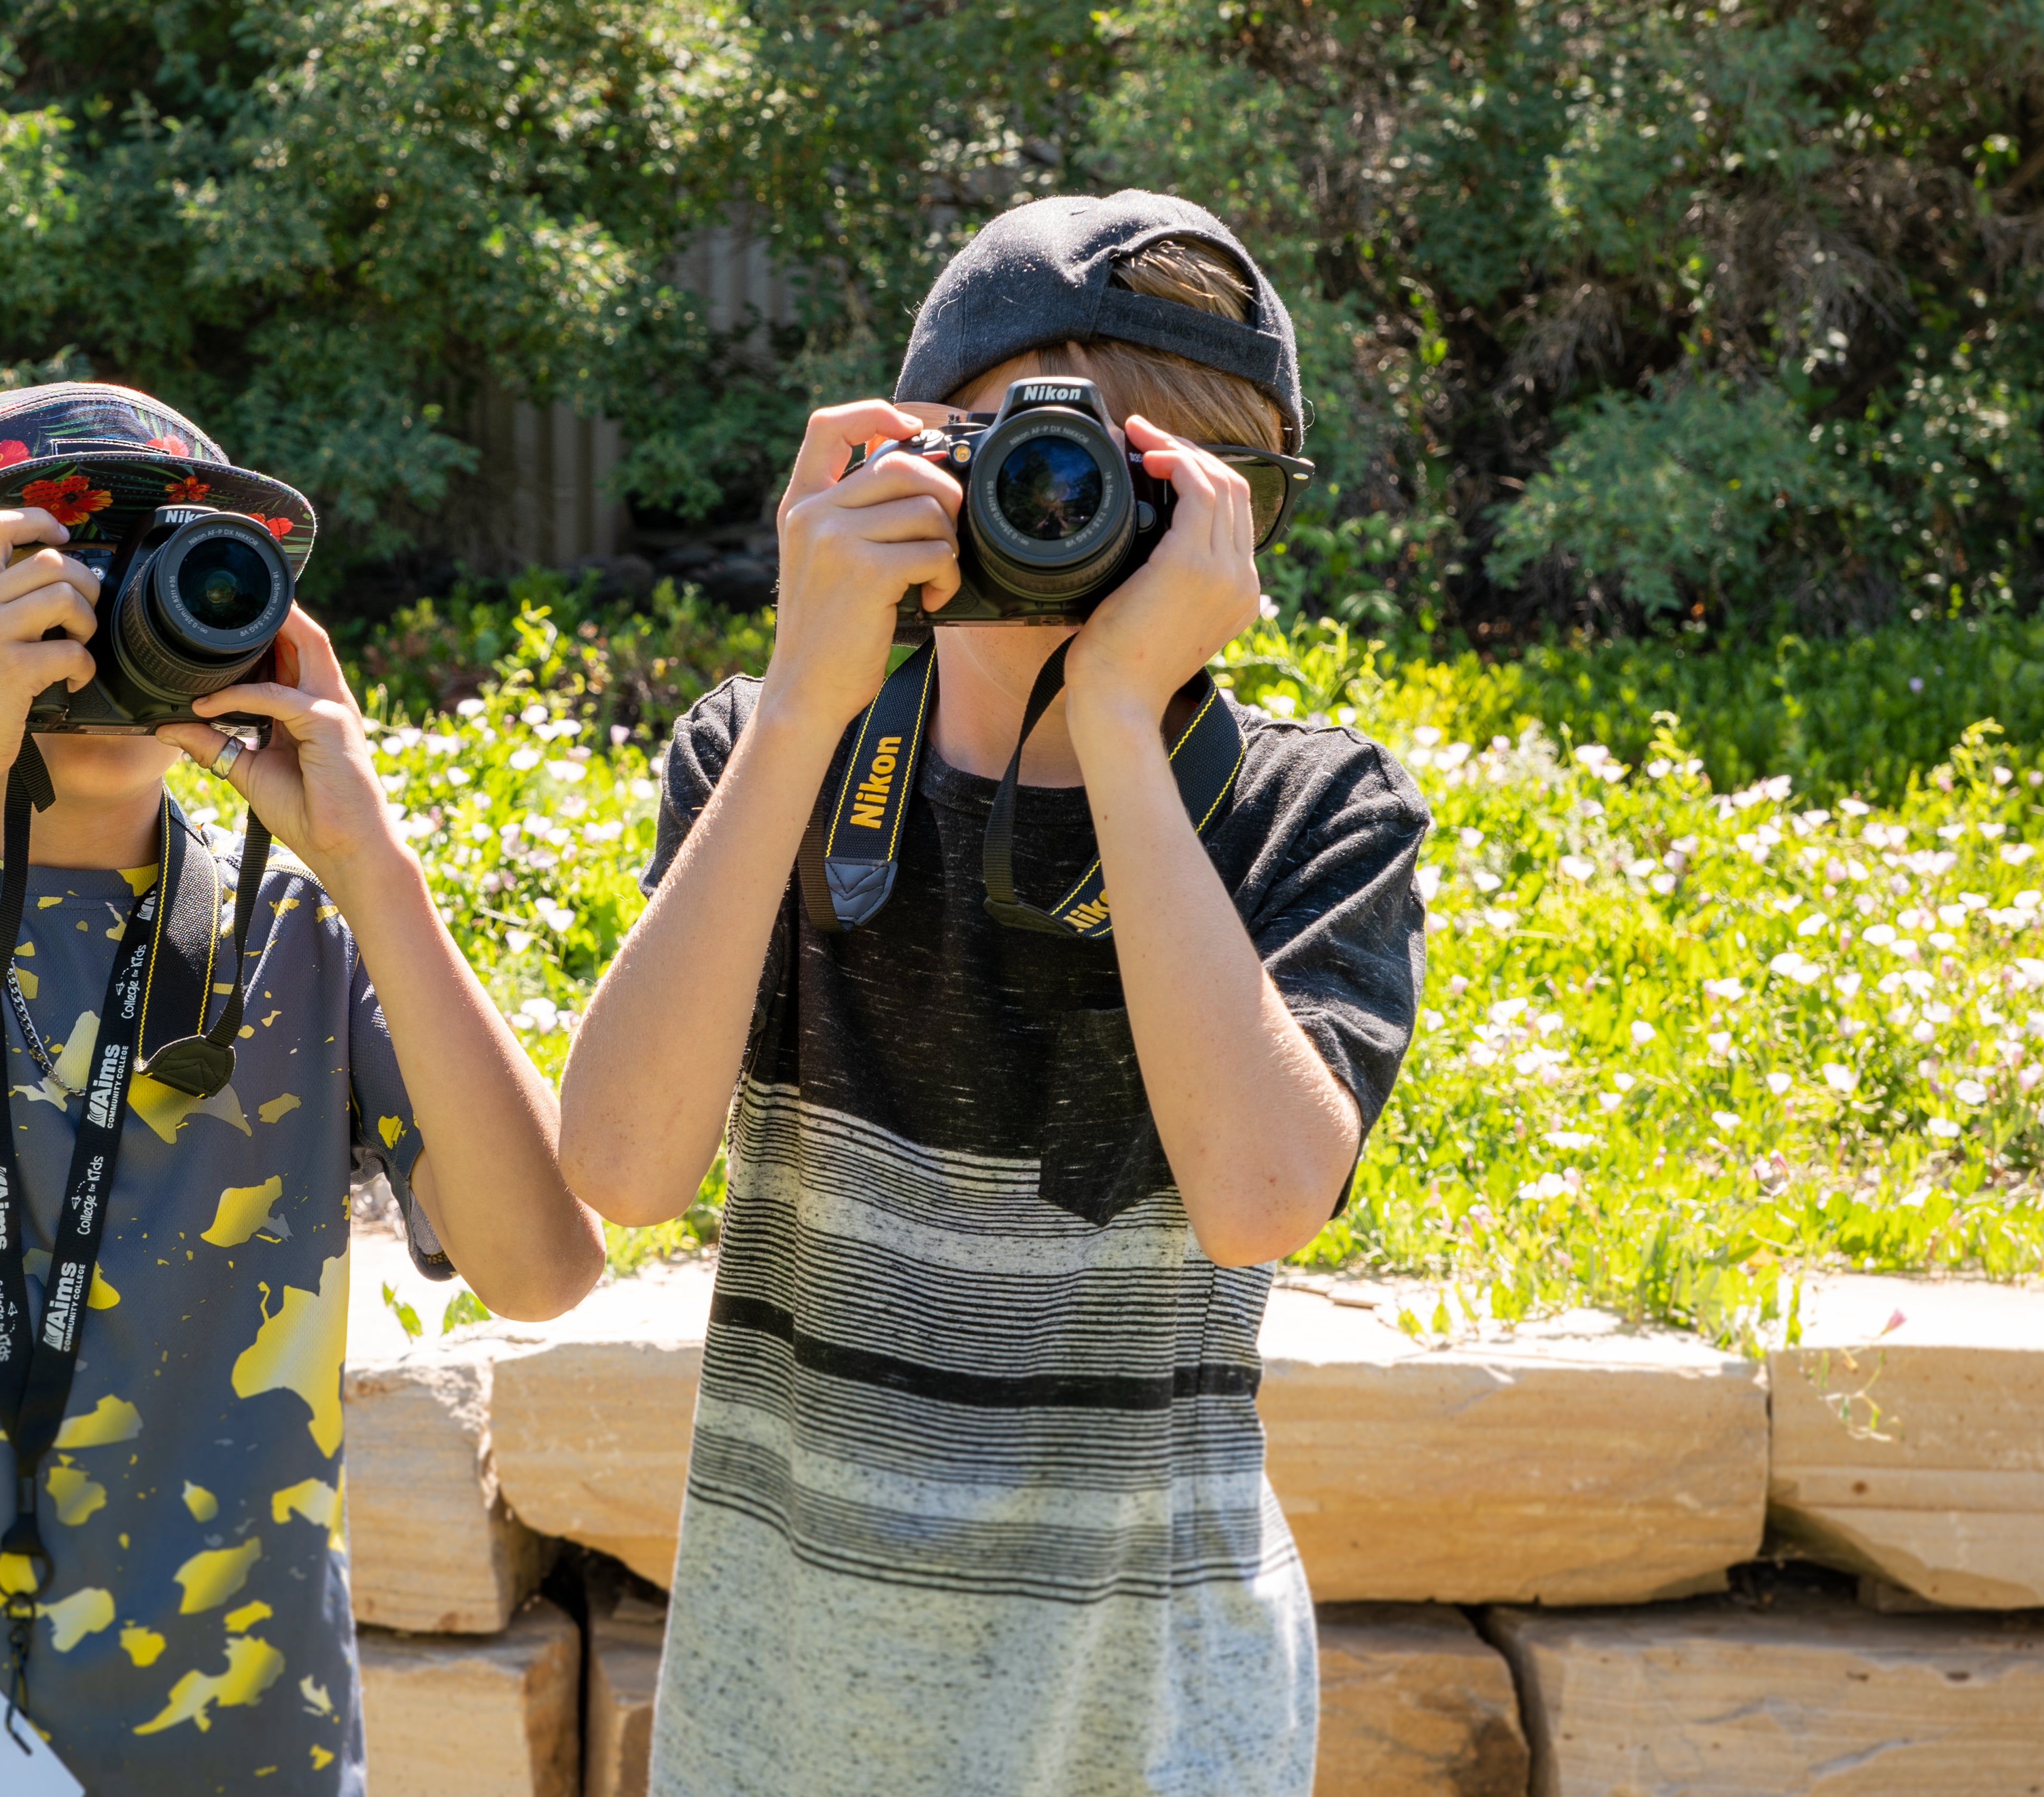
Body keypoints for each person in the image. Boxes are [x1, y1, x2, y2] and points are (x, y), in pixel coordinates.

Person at [558, 193, 1429, 1795]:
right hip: (785, 1713)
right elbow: (618, 1165)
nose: (1062, 506)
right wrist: (813, 684)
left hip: (1151, 1724)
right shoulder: (774, 759)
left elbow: (1256, 1197)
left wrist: (1114, 708)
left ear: (1238, 524)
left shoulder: (1310, 808)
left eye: (1138, 482)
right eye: (1022, 460)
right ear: (899, 455)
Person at [0, 382, 602, 1793]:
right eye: (42, 589)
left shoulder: (302, 931)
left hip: (234, 1727)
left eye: (147, 588)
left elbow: (539, 1269)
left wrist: (376, 871)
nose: (100, 639)